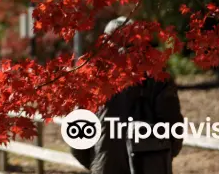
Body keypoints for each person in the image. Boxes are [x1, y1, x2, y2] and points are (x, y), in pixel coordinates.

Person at [72, 17, 184, 174]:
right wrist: (156, 158)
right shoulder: (159, 77)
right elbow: (174, 130)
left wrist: (97, 163)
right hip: (149, 166)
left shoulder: (92, 79)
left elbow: (77, 139)